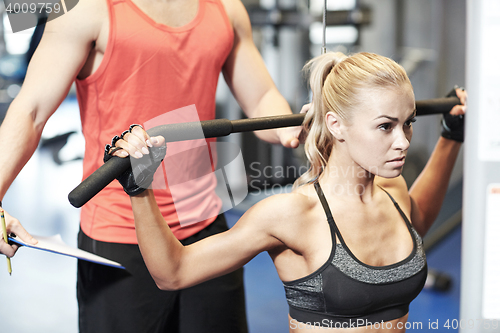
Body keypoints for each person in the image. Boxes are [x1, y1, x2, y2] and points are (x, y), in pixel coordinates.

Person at [107, 51, 466, 332]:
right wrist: (140, 189)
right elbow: (174, 273)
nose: (402, 141)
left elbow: (416, 218)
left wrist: (450, 136)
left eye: (408, 123)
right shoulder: (291, 215)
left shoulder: (392, 190)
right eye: (385, 126)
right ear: (336, 124)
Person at [0, 0, 304, 331]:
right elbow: (30, 112)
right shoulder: (87, 9)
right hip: (120, 234)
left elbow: (261, 98)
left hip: (205, 225)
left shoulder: (226, 8)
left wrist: (292, 127)